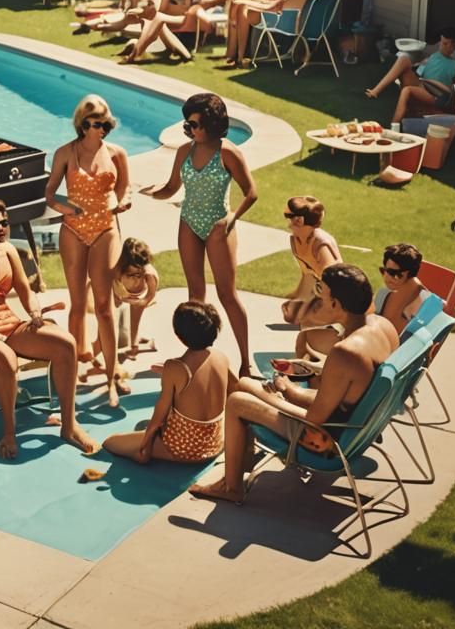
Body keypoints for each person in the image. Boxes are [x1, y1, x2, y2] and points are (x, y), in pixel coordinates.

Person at [190, 264, 398, 504]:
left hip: (327, 439)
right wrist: (294, 385)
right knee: (246, 384)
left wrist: (280, 395)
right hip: (354, 424)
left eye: (322, 292)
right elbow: (348, 388)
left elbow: (314, 419)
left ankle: (232, 487)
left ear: (337, 304)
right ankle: (238, 468)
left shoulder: (346, 352)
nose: (318, 298)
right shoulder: (382, 326)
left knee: (237, 401)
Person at [0, 197, 99, 457]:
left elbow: (26, 290)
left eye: (5, 223)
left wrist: (35, 311)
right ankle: (9, 434)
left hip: (11, 326)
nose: (3, 228)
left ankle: (69, 424)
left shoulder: (7, 252)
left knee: (67, 344)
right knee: (7, 360)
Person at [141, 93, 256, 377]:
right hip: (188, 223)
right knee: (196, 296)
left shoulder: (228, 152)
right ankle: (196, 357)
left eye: (194, 124)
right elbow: (170, 188)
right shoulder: (185, 151)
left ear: (211, 123)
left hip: (220, 225)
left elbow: (252, 193)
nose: (189, 129)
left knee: (227, 295)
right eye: (187, 124)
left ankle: (246, 361)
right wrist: (150, 192)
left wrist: (231, 218)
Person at [45, 95, 132, 406]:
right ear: (83, 124)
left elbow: (125, 186)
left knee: (105, 308)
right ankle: (71, 369)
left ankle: (110, 377)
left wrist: (122, 201)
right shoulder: (65, 153)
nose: (102, 128)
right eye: (96, 123)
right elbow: (50, 193)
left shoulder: (118, 154)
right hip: (73, 231)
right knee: (77, 305)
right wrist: (65, 209)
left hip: (106, 230)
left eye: (106, 123)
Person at [104, 301, 235, 464]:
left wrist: (144, 448)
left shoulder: (175, 368)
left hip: (184, 450)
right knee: (149, 427)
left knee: (111, 442)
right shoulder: (221, 357)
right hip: (214, 445)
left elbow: (159, 417)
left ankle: (149, 446)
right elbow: (232, 390)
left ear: (179, 336)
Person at [365, 26, 455, 124]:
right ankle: (376, 91)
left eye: (445, 44)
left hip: (435, 94)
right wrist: (418, 66)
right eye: (441, 43)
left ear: (454, 47)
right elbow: (419, 74)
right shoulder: (433, 57)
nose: (441, 46)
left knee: (407, 90)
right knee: (404, 59)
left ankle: (394, 124)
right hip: (423, 86)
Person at [280, 196, 344, 359]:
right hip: (321, 292)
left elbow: (334, 280)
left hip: (337, 298)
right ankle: (311, 367)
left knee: (309, 339)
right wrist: (298, 299)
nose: (286, 218)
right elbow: (308, 274)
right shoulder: (296, 240)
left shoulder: (320, 244)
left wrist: (313, 306)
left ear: (299, 220)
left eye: (289, 215)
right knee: (304, 336)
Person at [97, 236, 158, 364]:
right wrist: (115, 297)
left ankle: (134, 346)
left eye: (139, 272)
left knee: (134, 322)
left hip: (140, 296)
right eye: (132, 272)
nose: (136, 276)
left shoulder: (149, 274)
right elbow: (108, 285)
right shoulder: (117, 270)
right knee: (109, 318)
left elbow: (151, 295)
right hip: (121, 292)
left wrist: (142, 302)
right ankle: (108, 342)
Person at [374, 243, 431, 334]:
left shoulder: (426, 304)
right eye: (384, 271)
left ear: (410, 273)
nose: (386, 277)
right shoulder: (383, 295)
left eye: (393, 273)